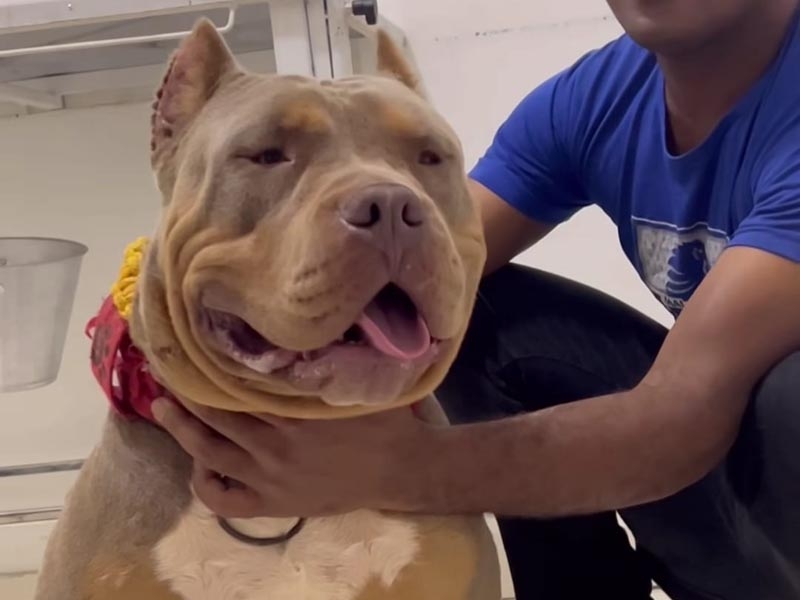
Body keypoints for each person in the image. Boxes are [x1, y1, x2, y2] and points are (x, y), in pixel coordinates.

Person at [152, 1, 800, 598]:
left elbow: (679, 419)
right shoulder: (603, 97)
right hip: (738, 481)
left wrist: (393, 471)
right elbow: (438, 267)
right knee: (471, 317)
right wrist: (159, 328)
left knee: (788, 395)